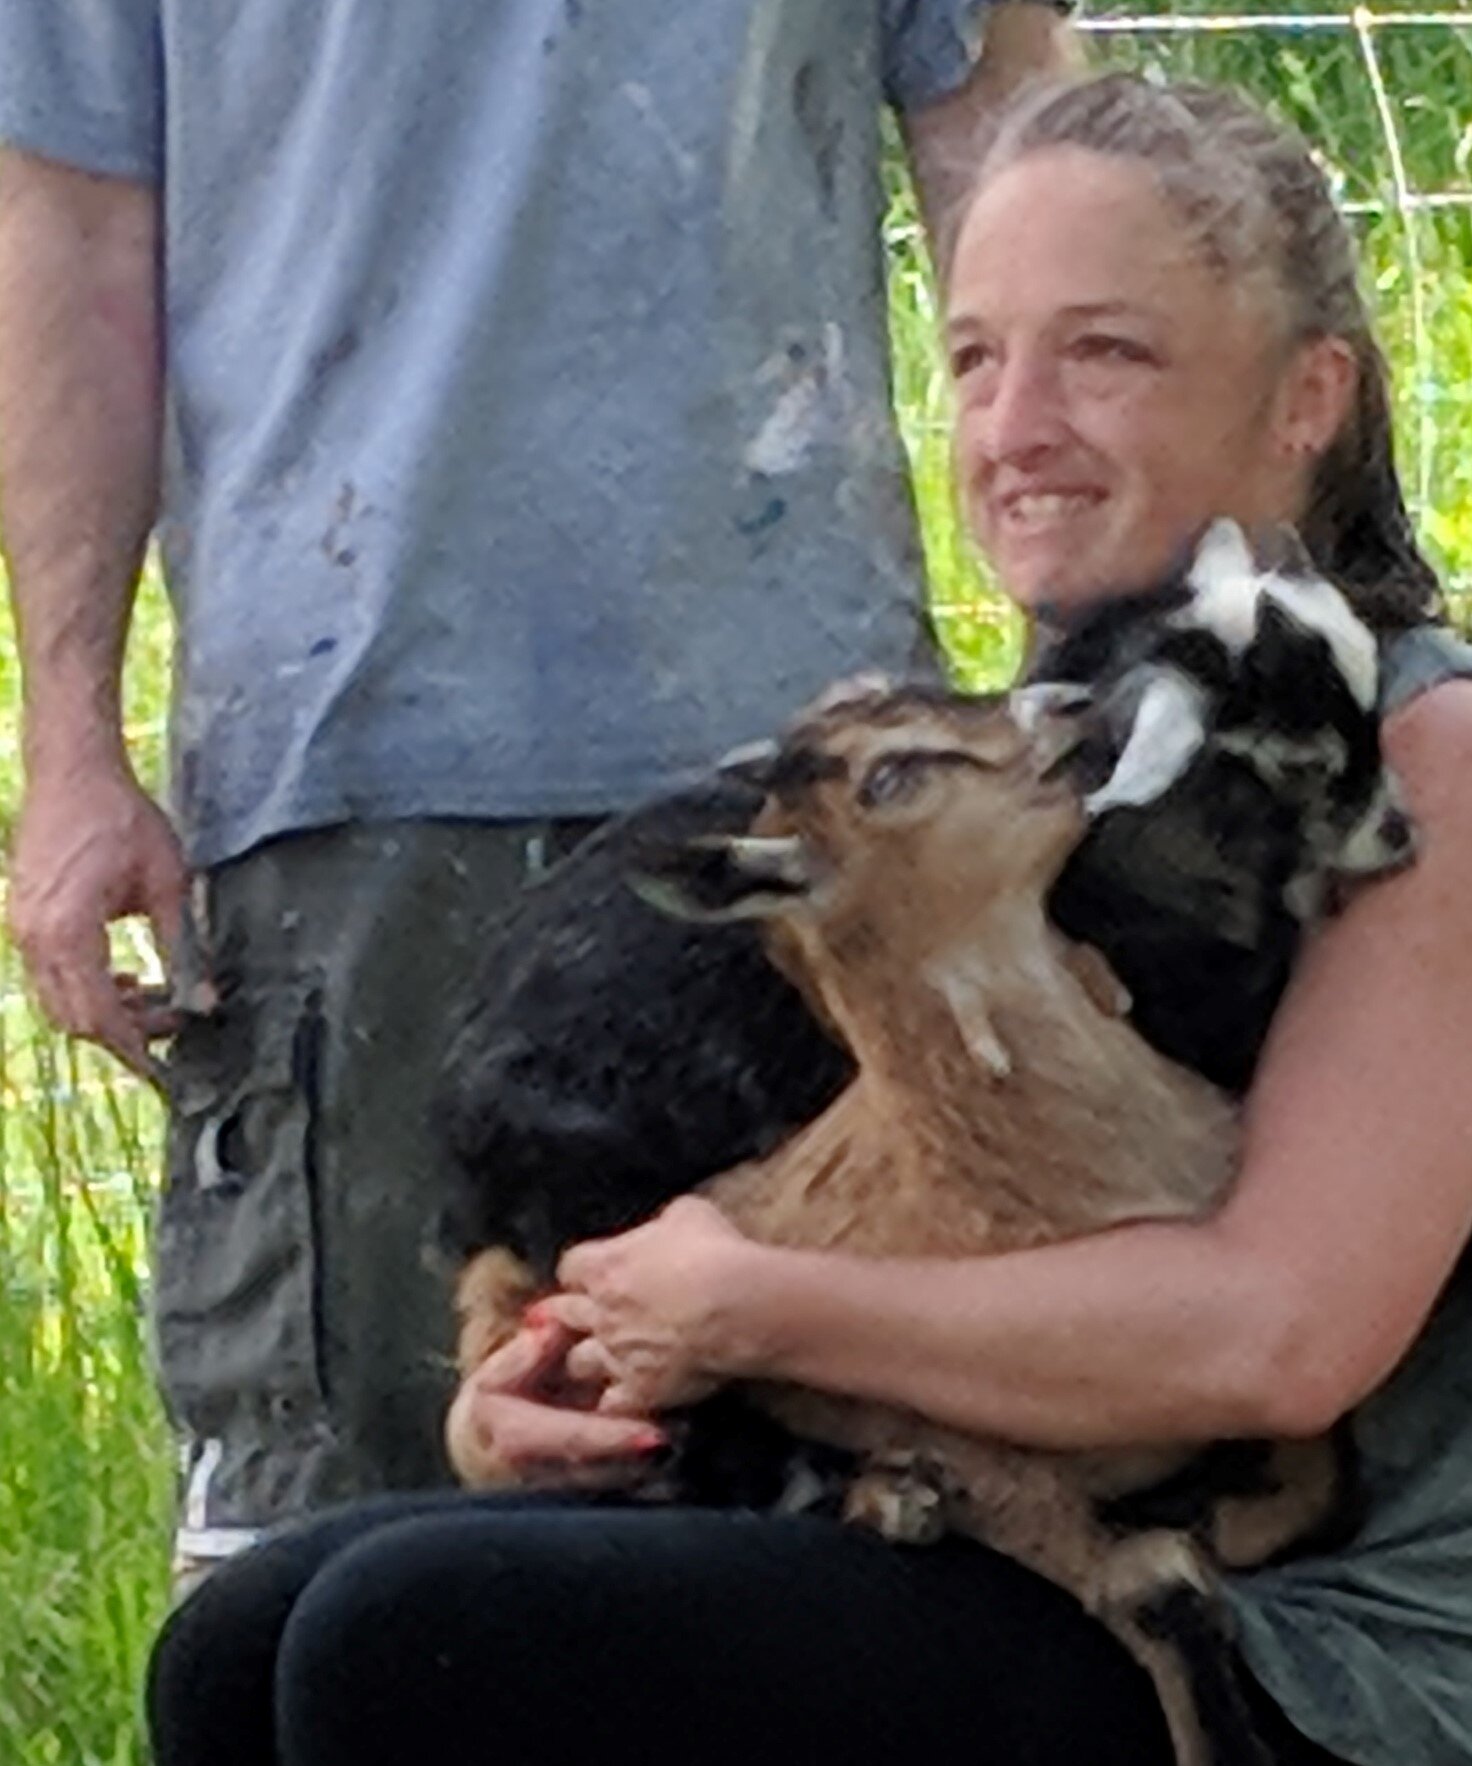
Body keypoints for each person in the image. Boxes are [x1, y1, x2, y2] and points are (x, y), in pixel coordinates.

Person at [144, 72, 1472, 1766]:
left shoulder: (1440, 771)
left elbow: (1273, 1339)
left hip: (1321, 1670)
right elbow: (894, 1199)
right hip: (991, 1531)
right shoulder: (1021, 770)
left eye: (1104, 354)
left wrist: (753, 1313)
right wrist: (593, 1355)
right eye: (971, 359)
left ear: (1303, 402)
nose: (1014, 423)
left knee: (414, 1656)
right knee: (248, 1643)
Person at [0, 1, 1080, 1574]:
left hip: (815, 817)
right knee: (347, 1564)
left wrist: (1079, 653)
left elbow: (1013, 145)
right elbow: (74, 225)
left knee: (861, 1511)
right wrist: (74, 753)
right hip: (349, 789)